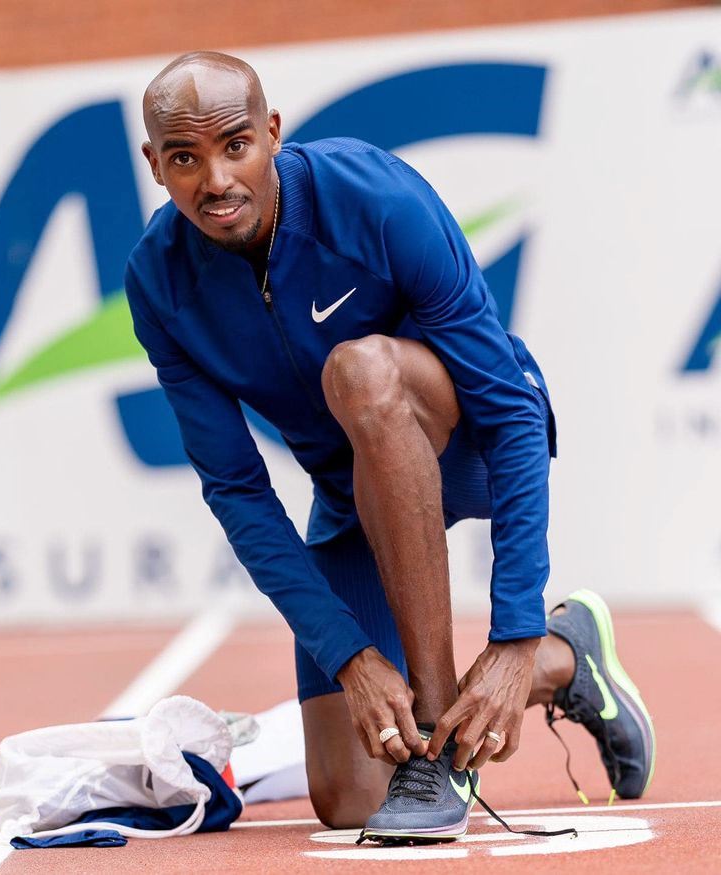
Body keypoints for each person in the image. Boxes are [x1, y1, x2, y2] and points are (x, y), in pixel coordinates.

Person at [124, 51, 655, 841]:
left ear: (272, 132)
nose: (216, 180)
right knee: (350, 796)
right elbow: (237, 489)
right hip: (353, 498)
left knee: (360, 371)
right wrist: (351, 656)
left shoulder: (372, 197)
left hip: (468, 445)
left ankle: (442, 732)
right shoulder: (159, 281)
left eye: (235, 145)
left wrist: (510, 634)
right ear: (155, 165)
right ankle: (567, 657)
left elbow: (511, 409)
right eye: (184, 159)